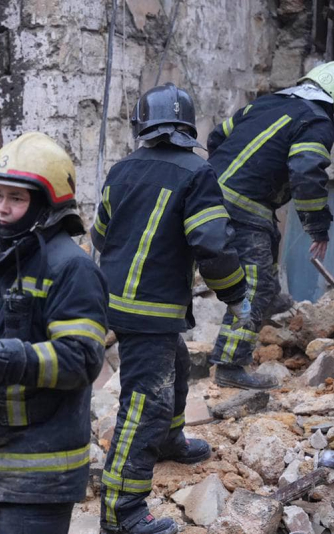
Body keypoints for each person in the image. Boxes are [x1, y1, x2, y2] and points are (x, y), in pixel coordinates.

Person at [0, 132, 107, 534]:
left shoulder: (70, 269)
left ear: (46, 204)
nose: (2, 209)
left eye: (17, 199)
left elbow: (79, 359)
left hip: (39, 473)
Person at [91, 84, 248, 534]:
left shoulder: (121, 170)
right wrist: (235, 295)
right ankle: (121, 512)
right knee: (145, 405)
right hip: (151, 310)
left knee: (176, 365)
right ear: (187, 126)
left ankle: (168, 441)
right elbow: (213, 245)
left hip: (111, 300)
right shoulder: (198, 173)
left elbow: (101, 235)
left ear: (142, 125)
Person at [206, 61, 334, 389]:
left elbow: (217, 136)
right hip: (244, 205)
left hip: (206, 193)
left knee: (265, 251)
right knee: (253, 284)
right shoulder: (316, 120)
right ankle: (230, 366)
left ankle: (271, 301)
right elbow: (305, 172)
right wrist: (317, 228)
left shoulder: (267, 103)